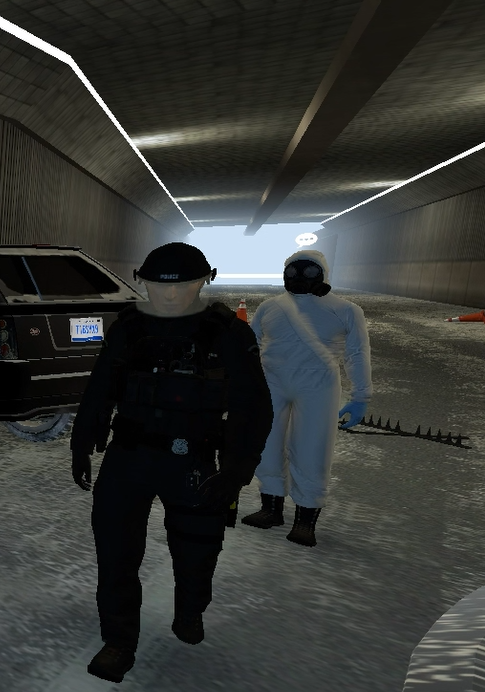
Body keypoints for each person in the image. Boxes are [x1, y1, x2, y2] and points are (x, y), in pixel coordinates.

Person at [68, 242, 273, 683]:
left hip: (193, 456)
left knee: (197, 548)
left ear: (203, 282)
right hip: (129, 455)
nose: (171, 294)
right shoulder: (128, 328)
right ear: (143, 282)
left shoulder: (228, 334)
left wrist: (237, 469)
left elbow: (252, 407)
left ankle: (191, 608)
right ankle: (118, 641)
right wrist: (81, 442)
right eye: (160, 285)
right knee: (115, 552)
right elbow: (100, 387)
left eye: (183, 284)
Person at [239, 249, 371, 547]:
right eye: (293, 271)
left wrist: (361, 395)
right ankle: (271, 507)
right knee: (265, 445)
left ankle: (305, 519)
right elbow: (250, 345)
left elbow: (357, 354)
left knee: (313, 449)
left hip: (318, 386)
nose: (299, 277)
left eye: (308, 272)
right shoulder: (270, 307)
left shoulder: (346, 310)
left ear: (322, 274)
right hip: (271, 382)